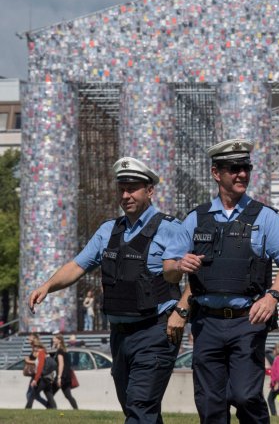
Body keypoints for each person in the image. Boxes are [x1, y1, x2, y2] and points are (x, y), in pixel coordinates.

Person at [29, 157, 184, 423]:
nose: (126, 195)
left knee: (140, 406)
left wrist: (181, 311)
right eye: (121, 188)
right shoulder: (107, 231)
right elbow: (78, 266)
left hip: (155, 331)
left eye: (133, 188)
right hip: (120, 336)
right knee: (137, 408)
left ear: (149, 190)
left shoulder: (170, 229)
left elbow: (197, 276)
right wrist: (48, 286)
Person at [164, 138, 279, 424]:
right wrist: (179, 264)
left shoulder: (265, 217)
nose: (242, 174)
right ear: (216, 173)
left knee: (244, 396)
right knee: (211, 405)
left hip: (246, 321)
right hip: (206, 323)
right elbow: (168, 270)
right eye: (234, 168)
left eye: (246, 168)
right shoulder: (196, 218)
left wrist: (272, 296)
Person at [24, 335, 55, 409]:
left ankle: (28, 409)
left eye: (35, 349)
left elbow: (40, 367)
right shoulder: (41, 352)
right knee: (48, 394)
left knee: (32, 394)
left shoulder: (41, 352)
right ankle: (52, 407)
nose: (34, 352)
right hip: (44, 377)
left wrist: (35, 380)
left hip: (42, 377)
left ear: (37, 347)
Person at [51, 334, 78, 409]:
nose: (53, 340)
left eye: (54, 339)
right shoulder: (63, 350)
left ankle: (50, 407)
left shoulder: (60, 351)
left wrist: (59, 377)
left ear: (59, 340)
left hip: (62, 376)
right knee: (68, 395)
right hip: (66, 376)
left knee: (50, 393)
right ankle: (76, 409)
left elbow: (61, 364)